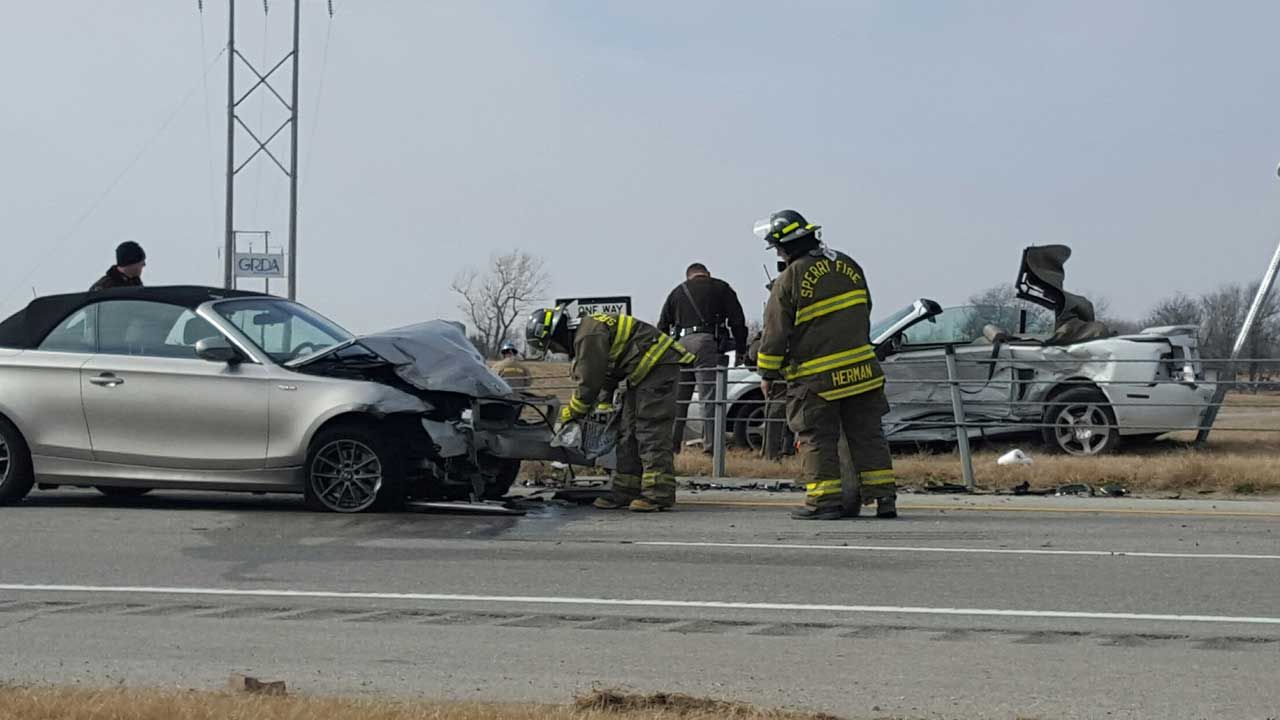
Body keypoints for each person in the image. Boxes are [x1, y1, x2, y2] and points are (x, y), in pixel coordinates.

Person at [754, 209, 898, 520]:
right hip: (863, 372)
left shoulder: (789, 278)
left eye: (777, 247)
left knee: (816, 438)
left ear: (787, 246)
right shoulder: (847, 264)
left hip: (818, 379)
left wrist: (767, 372)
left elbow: (776, 332)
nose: (778, 253)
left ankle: (824, 503)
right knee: (869, 436)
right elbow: (865, 308)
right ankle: (885, 499)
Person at [526, 306, 694, 512]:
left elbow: (589, 382)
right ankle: (626, 489)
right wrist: (604, 402)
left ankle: (658, 493)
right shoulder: (588, 331)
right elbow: (607, 373)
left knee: (650, 430)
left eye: (551, 346)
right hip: (641, 373)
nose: (554, 351)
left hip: (658, 367)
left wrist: (573, 411)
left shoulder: (587, 335)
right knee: (627, 431)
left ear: (556, 334)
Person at [657, 263, 748, 454]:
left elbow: (662, 326)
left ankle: (671, 449)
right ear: (707, 274)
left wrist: (665, 354)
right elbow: (737, 321)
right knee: (709, 400)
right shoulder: (721, 287)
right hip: (706, 345)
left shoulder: (677, 292)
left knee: (679, 400)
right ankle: (712, 450)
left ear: (689, 276)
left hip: (680, 347)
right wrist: (740, 350)